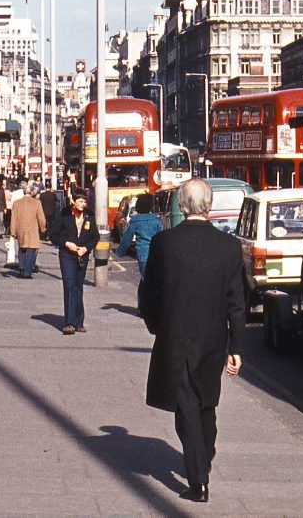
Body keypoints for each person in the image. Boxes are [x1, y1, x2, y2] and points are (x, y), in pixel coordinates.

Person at [140, 178, 245, 504]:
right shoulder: (228, 246)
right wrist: (236, 347)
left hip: (176, 337)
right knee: (205, 402)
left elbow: (149, 292)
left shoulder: (164, 243)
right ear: (208, 205)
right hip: (213, 339)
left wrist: (155, 325)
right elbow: (236, 302)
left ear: (182, 206)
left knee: (188, 409)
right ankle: (204, 455)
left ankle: (199, 481)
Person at [49, 190, 99, 334]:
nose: (83, 204)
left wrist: (86, 248)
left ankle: (79, 322)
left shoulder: (90, 215)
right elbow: (53, 235)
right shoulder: (63, 214)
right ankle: (70, 323)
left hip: (82, 255)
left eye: (85, 202)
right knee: (69, 285)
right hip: (67, 254)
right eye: (80, 201)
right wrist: (66, 243)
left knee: (78, 286)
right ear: (73, 201)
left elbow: (95, 237)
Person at [117, 193, 163, 278]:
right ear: (151, 207)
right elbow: (162, 238)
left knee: (145, 278)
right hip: (156, 254)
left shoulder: (135, 221)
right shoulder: (157, 220)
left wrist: (119, 253)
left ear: (138, 206)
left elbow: (127, 240)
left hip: (143, 254)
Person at [10, 181, 47, 279]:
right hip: (33, 229)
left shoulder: (17, 203)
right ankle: (27, 271)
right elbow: (41, 218)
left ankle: (22, 267)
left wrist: (13, 231)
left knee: (22, 248)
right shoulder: (36, 203)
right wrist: (43, 228)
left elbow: (13, 218)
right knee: (31, 249)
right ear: (31, 192)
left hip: (21, 229)